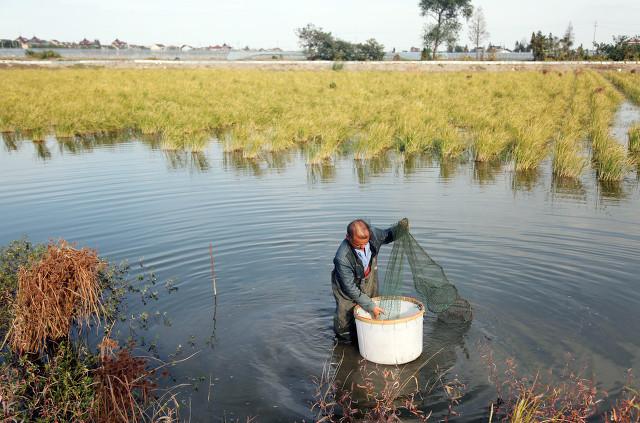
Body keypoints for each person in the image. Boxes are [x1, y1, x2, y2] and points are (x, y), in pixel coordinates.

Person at [331, 218, 408, 341]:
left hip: (368, 276)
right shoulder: (342, 258)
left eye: (365, 243)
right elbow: (350, 288)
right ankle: (344, 342)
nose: (362, 247)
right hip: (346, 287)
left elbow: (388, 235)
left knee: (372, 307)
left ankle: (369, 336)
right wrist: (370, 305)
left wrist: (400, 229)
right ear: (348, 237)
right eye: (357, 245)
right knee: (346, 319)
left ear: (370, 235)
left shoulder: (374, 235)